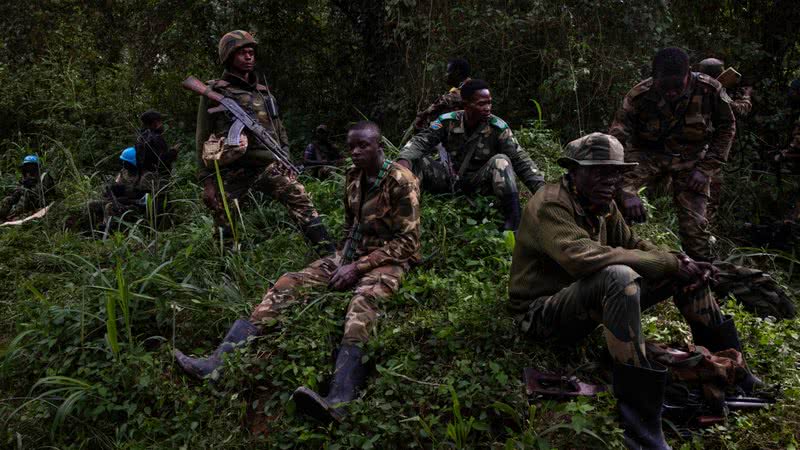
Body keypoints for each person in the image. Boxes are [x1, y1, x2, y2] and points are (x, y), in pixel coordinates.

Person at [508, 132, 761, 449]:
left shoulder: (603, 203)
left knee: (683, 272)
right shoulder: (551, 204)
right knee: (618, 274)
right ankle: (640, 424)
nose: (610, 180)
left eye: (615, 172)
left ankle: (735, 373)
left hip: (583, 303)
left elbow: (633, 245)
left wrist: (677, 261)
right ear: (574, 170)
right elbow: (582, 259)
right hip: (541, 315)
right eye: (599, 171)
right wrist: (663, 263)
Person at [175, 121, 421, 422]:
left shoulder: (401, 180)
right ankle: (218, 362)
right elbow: (350, 224)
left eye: (363, 146)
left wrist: (357, 268)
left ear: (378, 146)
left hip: (389, 259)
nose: (355, 152)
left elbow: (408, 241)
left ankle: (339, 400)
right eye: (351, 146)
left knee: (362, 304)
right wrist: (343, 259)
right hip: (353, 252)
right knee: (289, 282)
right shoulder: (353, 176)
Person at [195, 30, 333, 253]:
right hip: (232, 169)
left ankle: (329, 253)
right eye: (242, 54)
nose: (249, 57)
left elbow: (280, 130)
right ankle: (226, 269)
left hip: (267, 166)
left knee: (300, 198)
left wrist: (285, 156)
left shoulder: (264, 94)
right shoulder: (215, 92)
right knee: (224, 219)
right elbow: (202, 138)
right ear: (229, 57)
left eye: (251, 53)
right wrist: (207, 182)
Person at [609, 47, 736, 261]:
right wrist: (625, 189)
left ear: (689, 74)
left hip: (692, 160)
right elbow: (616, 141)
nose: (671, 93)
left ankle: (702, 276)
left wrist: (706, 169)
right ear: (654, 78)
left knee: (695, 227)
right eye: (664, 87)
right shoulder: (638, 96)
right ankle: (617, 257)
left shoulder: (709, 89)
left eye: (677, 87)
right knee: (618, 202)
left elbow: (727, 127)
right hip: (648, 155)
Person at [397, 79, 545, 230]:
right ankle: (405, 217)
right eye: (481, 104)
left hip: (478, 184)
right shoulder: (448, 122)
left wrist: (544, 192)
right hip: (450, 179)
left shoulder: (497, 127)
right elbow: (420, 142)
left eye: (489, 103)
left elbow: (521, 161)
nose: (487, 108)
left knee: (501, 161)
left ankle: (513, 224)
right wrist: (403, 161)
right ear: (465, 104)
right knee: (415, 161)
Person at [696, 58, 752, 217]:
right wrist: (746, 96)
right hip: (710, 151)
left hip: (692, 150)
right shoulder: (717, 91)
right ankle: (706, 226)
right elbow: (740, 110)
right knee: (710, 193)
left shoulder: (691, 89)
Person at [87, 147, 157, 230]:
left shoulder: (146, 176)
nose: (123, 163)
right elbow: (116, 186)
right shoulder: (124, 172)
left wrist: (126, 197)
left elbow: (146, 198)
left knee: (109, 207)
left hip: (135, 206)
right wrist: (112, 190)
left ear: (133, 162)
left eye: (126, 162)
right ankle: (93, 229)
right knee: (92, 204)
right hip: (120, 201)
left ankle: (109, 231)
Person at [412, 57, 472, 132]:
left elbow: (426, 115)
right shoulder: (478, 89)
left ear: (457, 72)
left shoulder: (453, 97)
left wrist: (420, 119)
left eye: (448, 71)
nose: (446, 75)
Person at [0, 155, 55, 222]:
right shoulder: (27, 177)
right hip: (30, 201)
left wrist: (29, 187)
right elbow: (18, 190)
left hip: (42, 202)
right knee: (8, 199)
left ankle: (12, 216)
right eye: (27, 167)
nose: (29, 169)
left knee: (25, 194)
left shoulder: (44, 176)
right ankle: (2, 216)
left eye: (31, 167)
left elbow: (40, 191)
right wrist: (22, 187)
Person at [135, 110, 178, 179]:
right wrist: (173, 152)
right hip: (157, 179)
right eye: (160, 121)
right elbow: (161, 161)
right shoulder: (155, 138)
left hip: (144, 178)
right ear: (155, 123)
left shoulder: (141, 137)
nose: (162, 124)